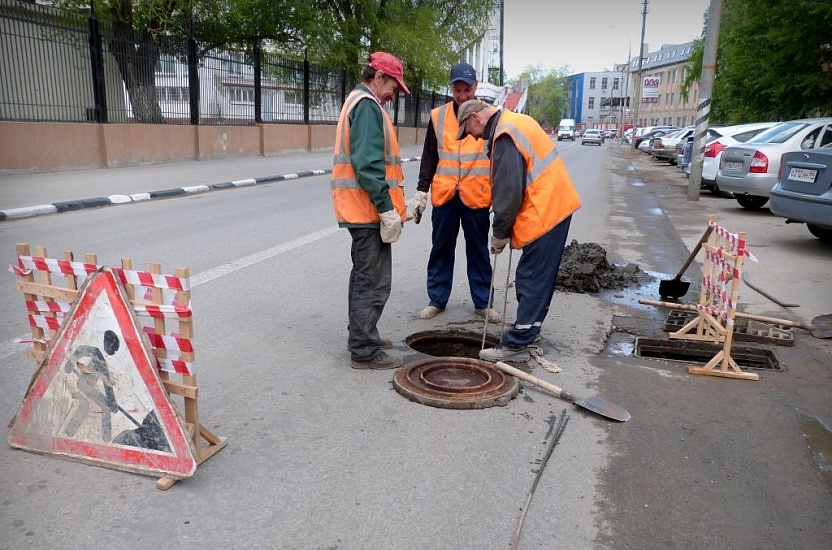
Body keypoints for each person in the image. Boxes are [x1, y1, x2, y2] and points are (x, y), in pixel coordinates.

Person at [454, 99, 581, 363]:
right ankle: (529, 329)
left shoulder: (504, 134)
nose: (474, 138)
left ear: (476, 118)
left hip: (545, 211)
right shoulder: (515, 121)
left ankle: (519, 341)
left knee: (531, 277)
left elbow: (508, 192)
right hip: (553, 205)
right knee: (536, 276)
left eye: (469, 131)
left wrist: (499, 232)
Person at [331, 52, 410, 370]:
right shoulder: (366, 106)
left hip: (364, 210)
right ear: (378, 78)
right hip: (367, 211)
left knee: (368, 277)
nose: (394, 95)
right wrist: (386, 208)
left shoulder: (360, 101)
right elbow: (367, 164)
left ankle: (365, 336)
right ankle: (364, 349)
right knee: (372, 279)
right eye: (393, 86)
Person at [412, 62, 501, 323]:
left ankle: (483, 302)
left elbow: (499, 157)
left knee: (478, 251)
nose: (463, 96)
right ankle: (437, 299)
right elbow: (429, 156)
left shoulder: (490, 115)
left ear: (476, 87)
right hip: (445, 195)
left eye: (467, 90)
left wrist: (498, 194)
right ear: (451, 88)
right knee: (441, 248)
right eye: (458, 90)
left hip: (477, 195)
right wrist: (421, 191)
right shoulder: (438, 117)